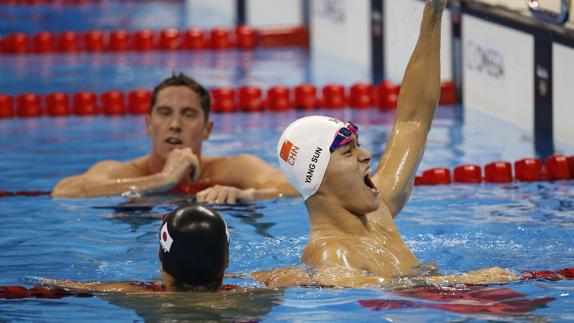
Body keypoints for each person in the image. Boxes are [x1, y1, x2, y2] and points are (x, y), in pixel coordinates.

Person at [255, 0, 519, 288]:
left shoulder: (379, 213)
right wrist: (464, 281)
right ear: (317, 177)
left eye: (358, 145)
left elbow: (412, 122)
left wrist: (434, 12)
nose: (366, 155)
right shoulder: (331, 252)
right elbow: (369, 295)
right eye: (348, 151)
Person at [51, 73, 298, 204]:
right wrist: (160, 180)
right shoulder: (125, 172)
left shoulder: (234, 169)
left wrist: (248, 196)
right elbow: (63, 191)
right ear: (149, 124)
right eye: (164, 113)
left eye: (188, 115)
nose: (175, 125)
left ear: (207, 129)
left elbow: (296, 186)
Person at [45, 204, 232, 293]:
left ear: (162, 264)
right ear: (226, 262)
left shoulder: (134, 295)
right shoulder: (248, 296)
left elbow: (56, 285)